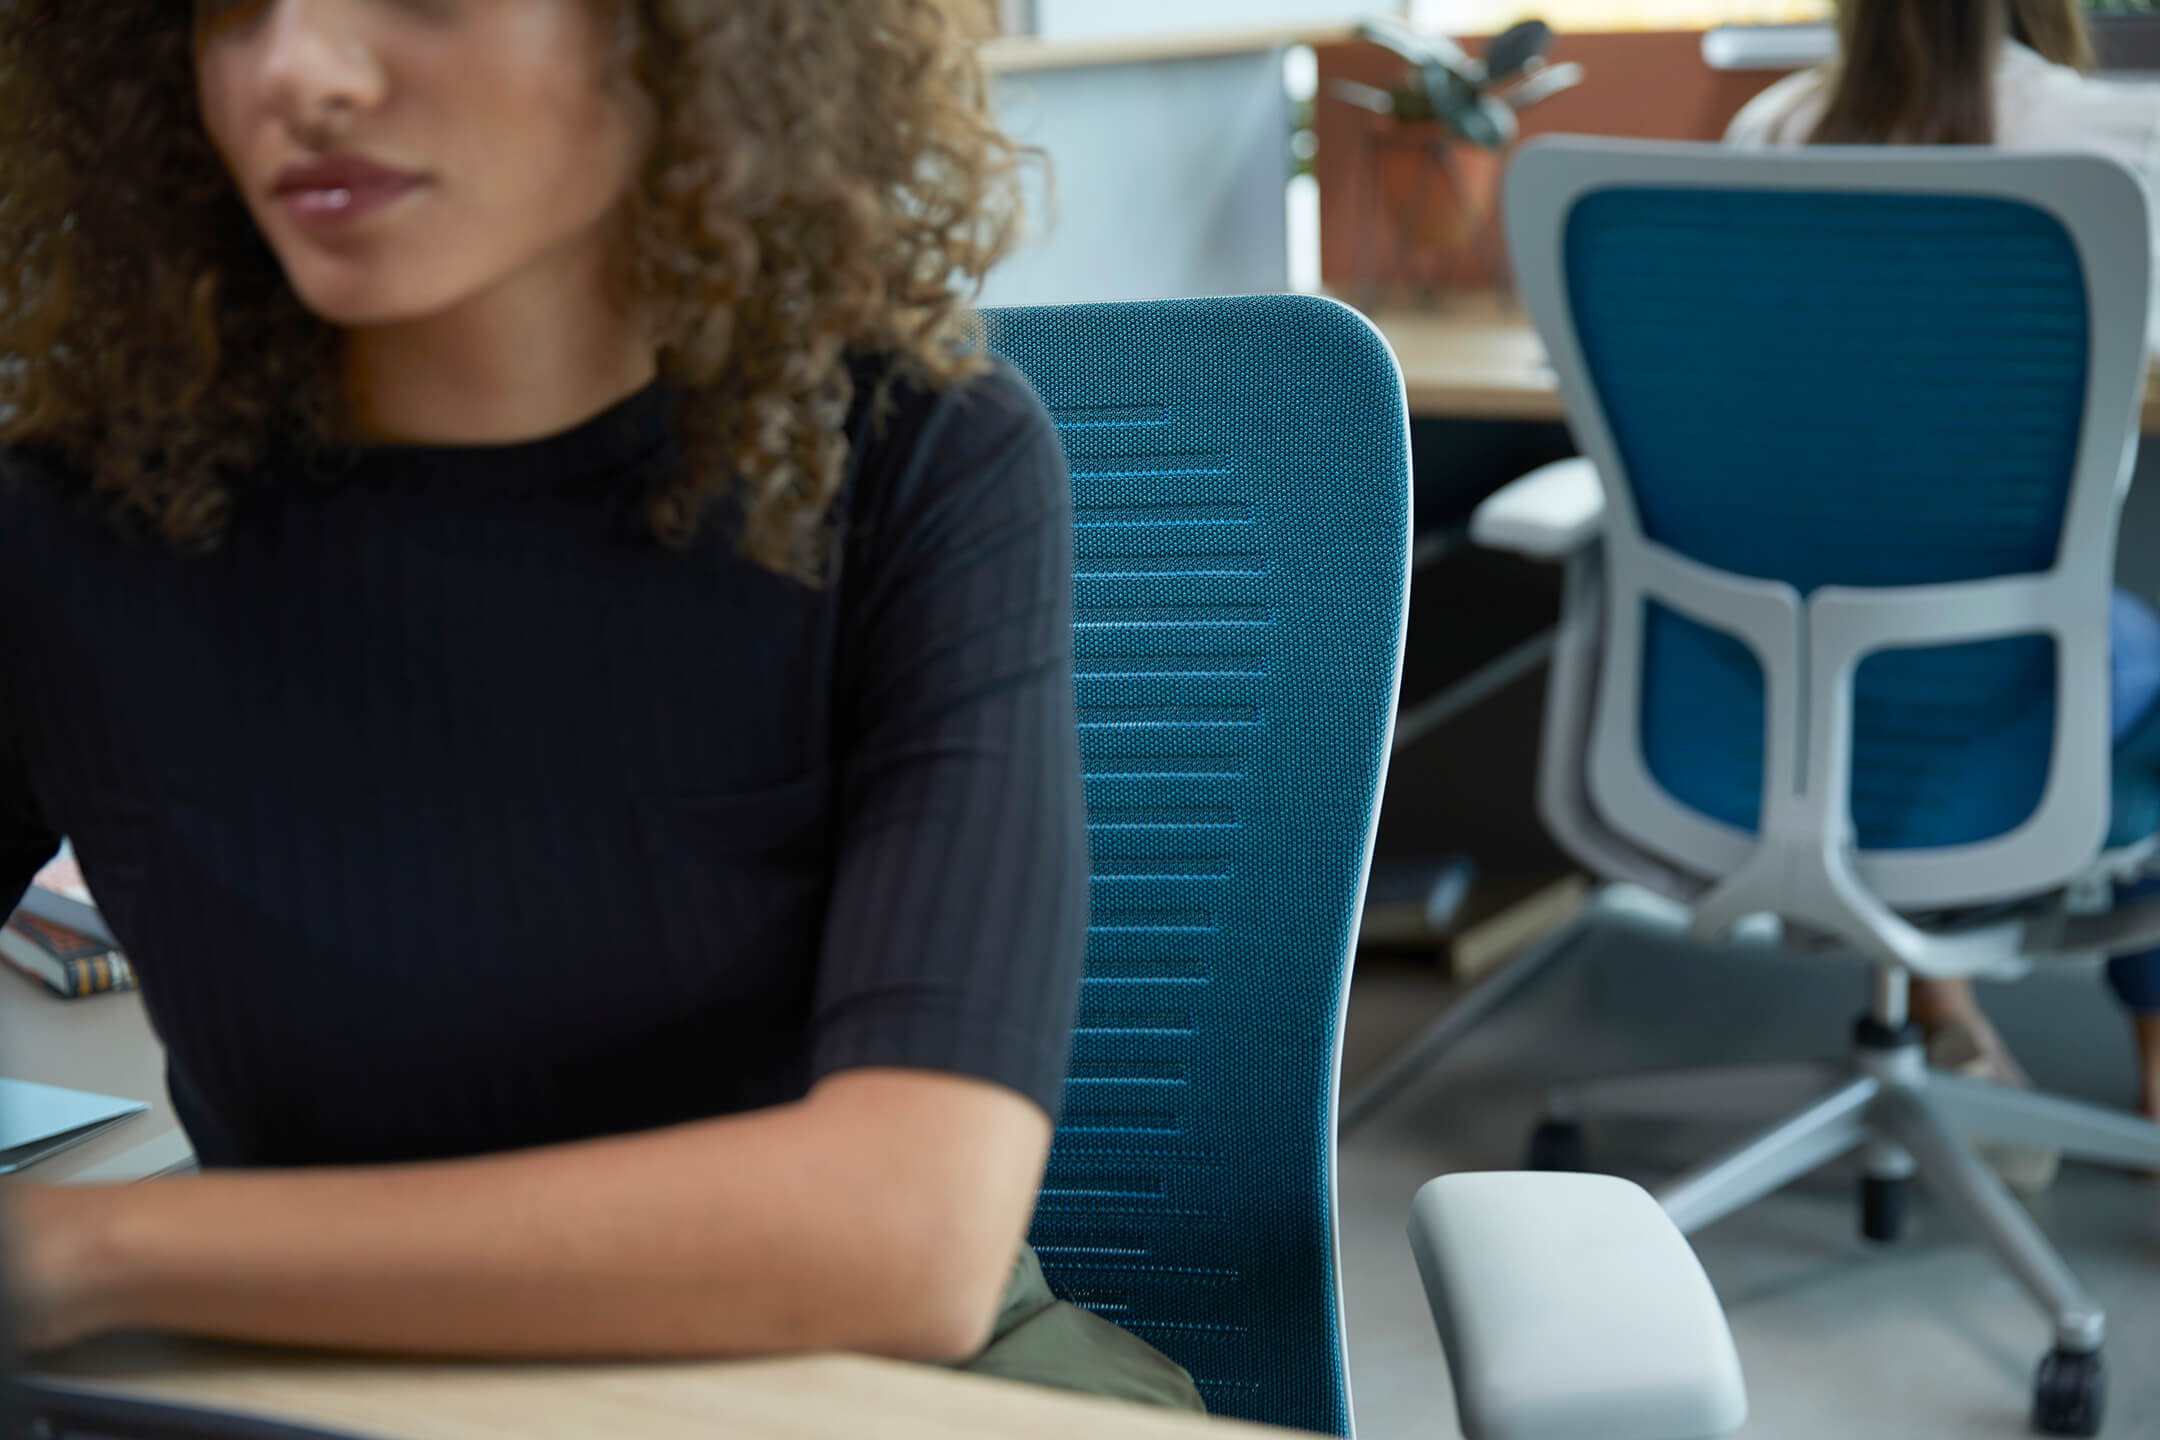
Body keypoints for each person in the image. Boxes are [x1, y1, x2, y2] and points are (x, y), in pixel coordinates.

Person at [0, 0, 1200, 1411]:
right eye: (232, 10)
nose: (298, 70)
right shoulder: (73, 526)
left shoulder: (913, 456)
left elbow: (906, 1237)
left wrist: (76, 1253)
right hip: (316, 1385)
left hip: (864, 1385)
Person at [1726, 0, 2160, 1183]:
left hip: (1767, 695)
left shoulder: (1770, 133)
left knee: (1906, 602)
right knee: (2118, 650)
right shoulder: (2115, 139)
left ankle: (1940, 995)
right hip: (1993, 682)